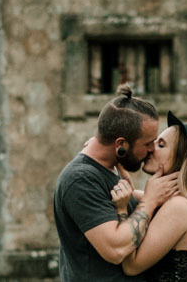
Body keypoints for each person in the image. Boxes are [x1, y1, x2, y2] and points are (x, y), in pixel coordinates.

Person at [54, 84, 180, 281]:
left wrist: (153, 194)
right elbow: (115, 249)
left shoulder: (110, 168)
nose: (151, 150)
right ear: (120, 145)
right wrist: (150, 201)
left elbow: (120, 202)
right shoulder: (80, 179)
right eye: (147, 143)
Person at [110, 111, 187, 282]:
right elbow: (129, 195)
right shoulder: (168, 201)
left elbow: (131, 266)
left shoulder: (178, 207)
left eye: (161, 145)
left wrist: (122, 211)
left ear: (181, 161)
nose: (150, 148)